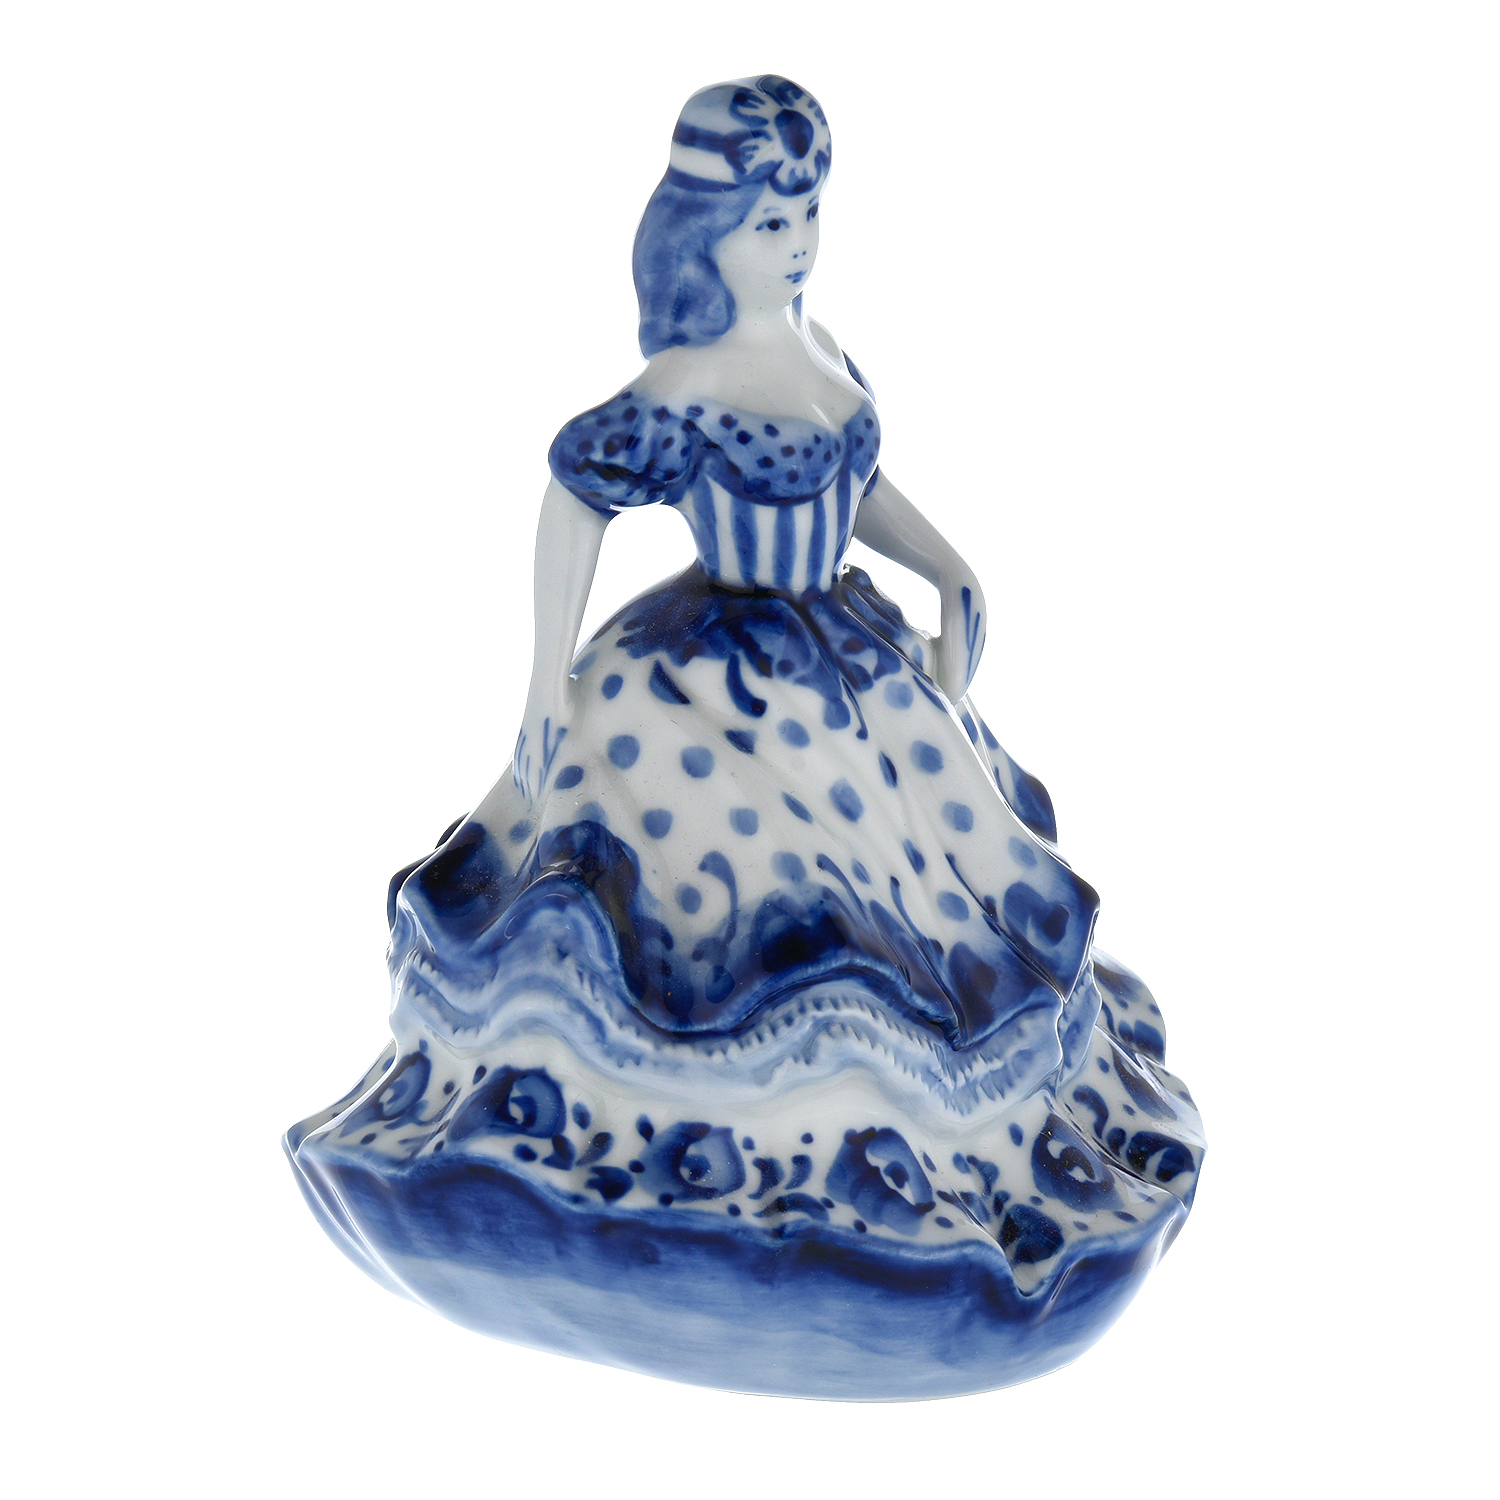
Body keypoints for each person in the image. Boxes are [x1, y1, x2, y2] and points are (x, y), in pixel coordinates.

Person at [287, 76, 1203, 1400]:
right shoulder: (687, 385)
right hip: (705, 689)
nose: (799, 242)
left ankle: (935, 1172)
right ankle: (669, 1179)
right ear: (703, 232)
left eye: (810, 213)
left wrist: (953, 571)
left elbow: (861, 488)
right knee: (715, 931)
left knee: (923, 916)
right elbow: (575, 499)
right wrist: (544, 679)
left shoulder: (822, 355)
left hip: (850, 672)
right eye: (772, 221)